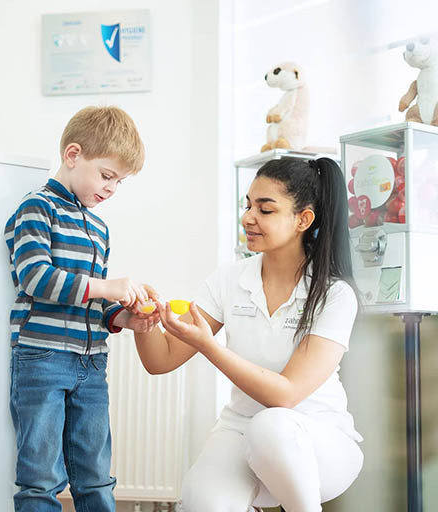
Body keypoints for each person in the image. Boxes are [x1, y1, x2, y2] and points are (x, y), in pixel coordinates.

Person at [135, 157, 363, 511]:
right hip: (241, 431)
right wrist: (143, 323)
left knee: (271, 427)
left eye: (265, 209)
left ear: (303, 219)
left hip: (316, 443)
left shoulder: (334, 294)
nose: (248, 218)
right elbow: (161, 360)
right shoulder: (230, 279)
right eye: (247, 205)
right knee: (201, 503)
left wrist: (209, 346)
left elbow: (286, 395)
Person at [4, 106, 157, 512]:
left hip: (92, 365)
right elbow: (35, 277)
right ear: (73, 155)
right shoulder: (37, 209)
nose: (111, 189)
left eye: (119, 182)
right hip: (43, 358)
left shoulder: (99, 229)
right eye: (107, 176)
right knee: (41, 478)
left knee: (96, 476)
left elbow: (93, 305)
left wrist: (124, 316)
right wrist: (107, 286)